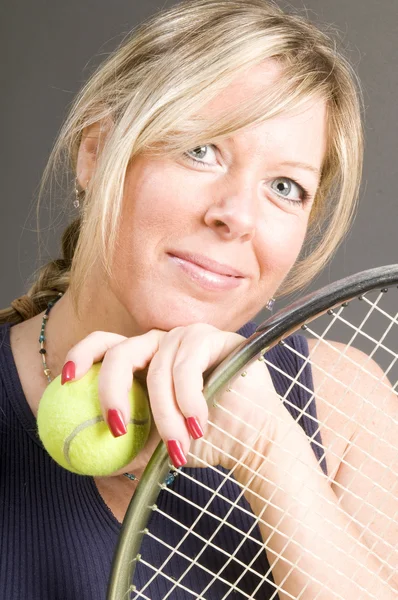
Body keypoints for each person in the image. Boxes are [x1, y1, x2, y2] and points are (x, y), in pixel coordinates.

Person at [0, 0, 396, 598]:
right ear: (96, 151)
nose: (236, 216)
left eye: (285, 187)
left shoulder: (347, 410)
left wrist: (268, 452)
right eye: (202, 150)